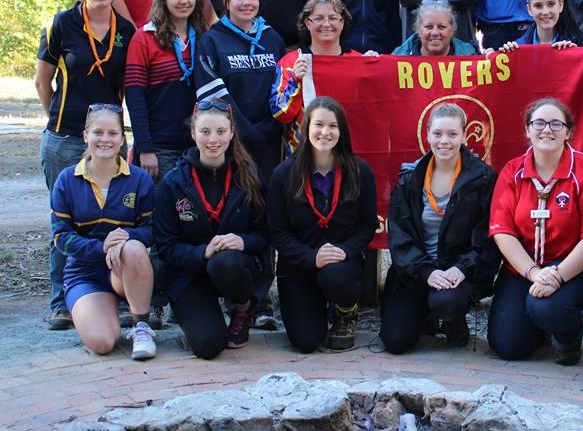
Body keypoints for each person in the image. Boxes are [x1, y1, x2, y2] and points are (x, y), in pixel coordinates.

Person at [35, 0, 137, 330]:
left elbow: (127, 85)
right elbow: (42, 81)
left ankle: (116, 293)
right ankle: (61, 299)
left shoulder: (125, 29)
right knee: (64, 220)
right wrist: (58, 118)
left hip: (110, 139)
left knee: (114, 217)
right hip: (65, 137)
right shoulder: (62, 24)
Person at [487, 99, 583, 365]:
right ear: (527, 130)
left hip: (579, 269)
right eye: (539, 123)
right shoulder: (512, 171)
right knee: (509, 347)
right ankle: (541, 327)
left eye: (557, 124)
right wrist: (533, 273)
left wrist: (556, 276)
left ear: (568, 132)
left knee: (547, 306)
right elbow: (502, 232)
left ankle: (568, 338)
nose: (547, 130)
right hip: (526, 269)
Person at [152, 101, 269, 359]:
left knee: (224, 262)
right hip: (190, 275)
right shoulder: (174, 183)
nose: (213, 139)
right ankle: (199, 315)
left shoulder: (249, 177)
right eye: (205, 132)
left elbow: (265, 235)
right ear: (193, 134)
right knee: (208, 346)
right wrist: (203, 252)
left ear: (231, 133)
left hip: (234, 268)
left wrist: (243, 242)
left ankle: (242, 308)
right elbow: (165, 246)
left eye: (220, 131)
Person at [380, 103, 500, 353]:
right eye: (438, 134)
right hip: (418, 271)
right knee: (395, 341)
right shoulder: (409, 178)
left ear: (464, 136)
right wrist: (426, 272)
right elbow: (399, 237)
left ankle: (452, 318)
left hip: (457, 272)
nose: (444, 141)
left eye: (452, 134)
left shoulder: (483, 178)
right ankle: (425, 314)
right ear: (427, 135)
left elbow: (487, 237)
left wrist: (462, 268)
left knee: (446, 301)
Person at [268, 97, 378, 352]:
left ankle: (345, 312)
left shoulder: (361, 172)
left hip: (341, 264)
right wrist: (310, 257)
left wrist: (346, 251)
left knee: (335, 276)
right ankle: (313, 307)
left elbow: (366, 225)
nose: (325, 133)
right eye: (318, 125)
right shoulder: (283, 174)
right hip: (297, 265)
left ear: (342, 131)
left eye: (333, 126)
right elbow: (277, 231)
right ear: (306, 128)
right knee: (306, 341)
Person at [50, 105, 156, 359]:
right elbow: (60, 238)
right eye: (98, 132)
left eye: (112, 133)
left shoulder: (139, 179)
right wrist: (101, 247)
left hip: (124, 267)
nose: (105, 139)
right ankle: (100, 312)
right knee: (103, 343)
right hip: (85, 273)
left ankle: (141, 324)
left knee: (133, 247)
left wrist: (124, 239)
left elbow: (152, 230)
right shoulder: (67, 180)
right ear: (86, 136)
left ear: (122, 138)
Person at [196, 0, 286, 179]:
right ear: (226, 1)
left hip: (270, 141)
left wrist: (271, 127)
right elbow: (211, 94)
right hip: (231, 141)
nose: (247, 2)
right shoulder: (212, 41)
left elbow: (284, 88)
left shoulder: (273, 39)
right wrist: (245, 131)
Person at [126, 0, 209, 181]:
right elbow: (135, 96)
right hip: (159, 149)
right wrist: (145, 147)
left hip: (198, 145)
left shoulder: (204, 37)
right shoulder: (144, 38)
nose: (184, 1)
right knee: (160, 213)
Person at [271, 0, 360, 158]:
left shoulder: (359, 61)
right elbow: (280, 114)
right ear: (307, 22)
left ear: (342, 22)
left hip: (350, 155)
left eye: (333, 18)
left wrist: (375, 65)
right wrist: (295, 82)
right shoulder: (290, 62)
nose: (326, 24)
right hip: (302, 157)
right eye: (318, 18)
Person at [491, 0, 583, 52]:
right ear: (529, 9)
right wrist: (494, 57)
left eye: (551, 4)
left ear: (561, 5)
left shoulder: (580, 44)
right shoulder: (518, 47)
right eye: (538, 6)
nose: (545, 12)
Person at [392, 0, 479, 56]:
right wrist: (378, 63)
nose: (435, 33)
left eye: (441, 27)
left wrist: (491, 62)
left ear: (452, 30)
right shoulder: (397, 58)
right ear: (419, 30)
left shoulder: (470, 56)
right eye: (428, 27)